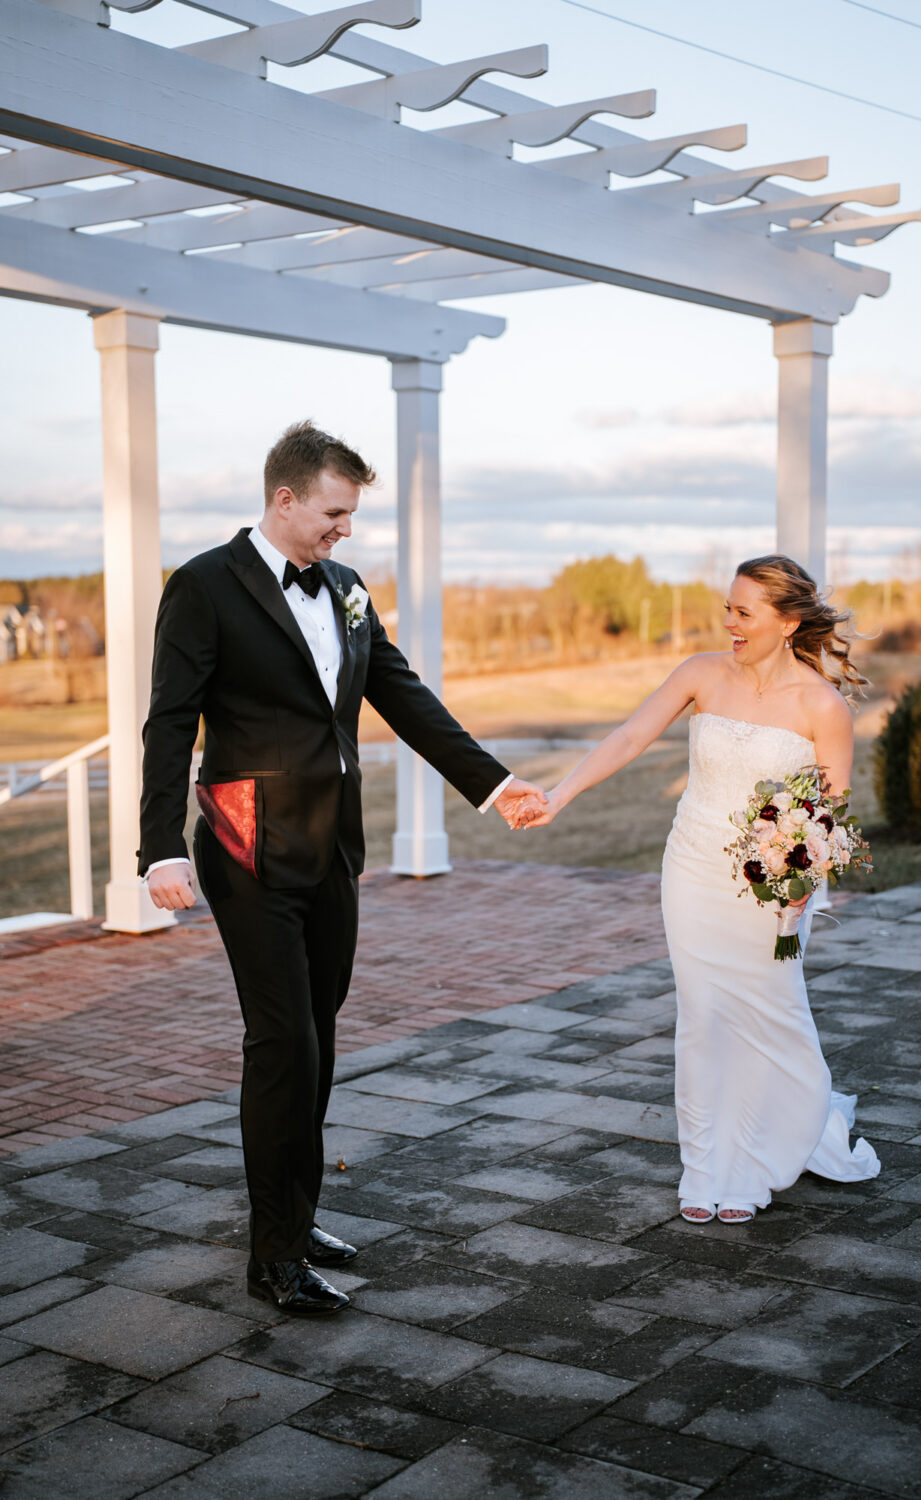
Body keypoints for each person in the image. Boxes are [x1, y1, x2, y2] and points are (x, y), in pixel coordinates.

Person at [139, 420, 542, 1314]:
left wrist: (495, 784)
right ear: (284, 499)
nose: (344, 530)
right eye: (333, 512)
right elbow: (170, 722)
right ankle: (272, 1258)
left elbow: (402, 694)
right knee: (282, 1045)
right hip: (247, 848)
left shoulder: (350, 590)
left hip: (333, 851)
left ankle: (297, 1213)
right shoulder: (202, 586)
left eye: (350, 515)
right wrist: (161, 846)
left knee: (316, 1042)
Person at [517, 554, 880, 1224]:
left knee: (770, 1015)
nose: (729, 623)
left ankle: (754, 1163)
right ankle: (705, 1164)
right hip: (690, 867)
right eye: (728, 609)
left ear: (788, 620)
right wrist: (559, 795)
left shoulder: (822, 707)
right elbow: (629, 736)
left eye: (744, 612)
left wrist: (803, 879)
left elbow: (830, 810)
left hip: (770, 891)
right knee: (704, 1016)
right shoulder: (701, 674)